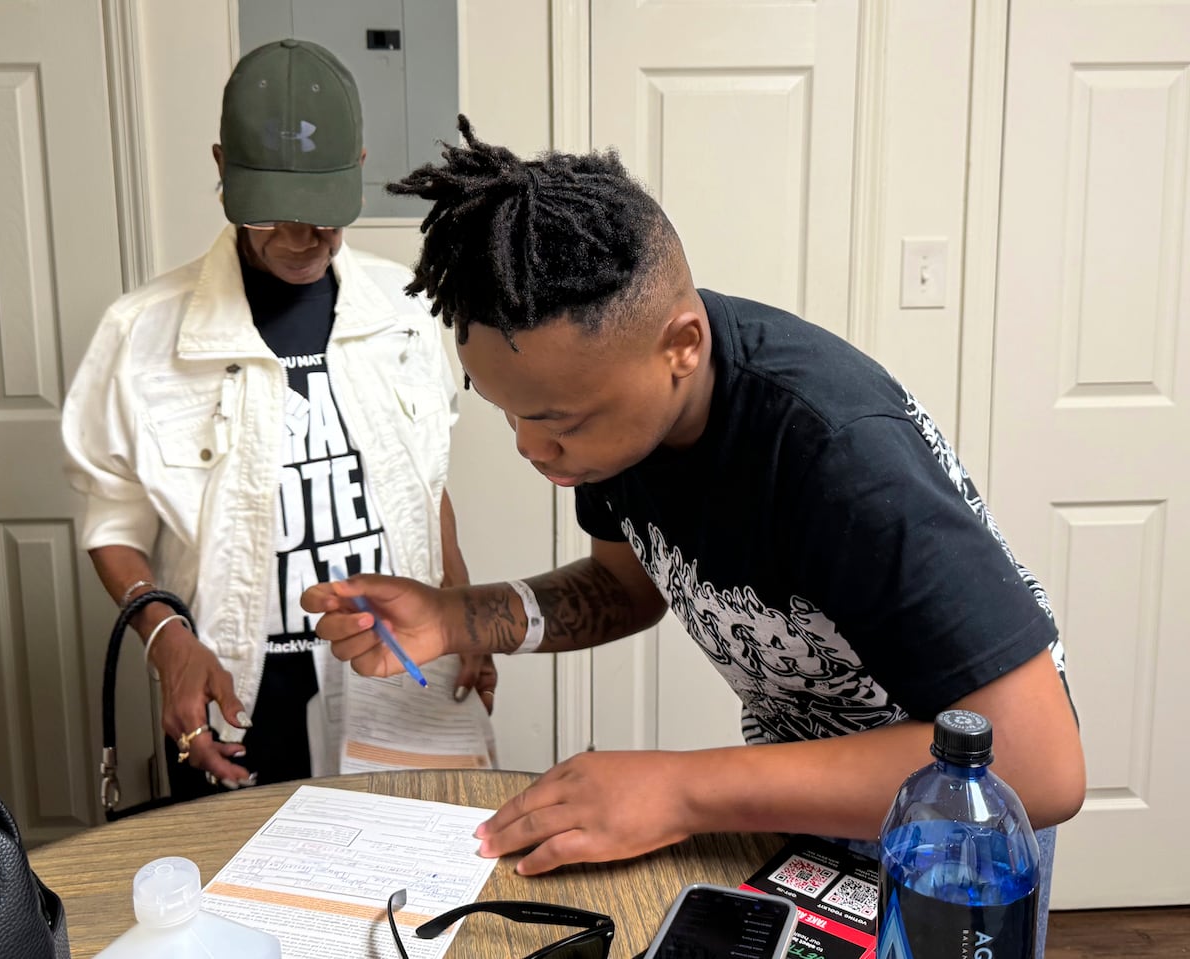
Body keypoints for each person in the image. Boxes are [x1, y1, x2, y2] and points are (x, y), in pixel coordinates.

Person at [304, 116, 1084, 904]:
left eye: (560, 421)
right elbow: (629, 586)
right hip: (797, 809)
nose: (531, 450)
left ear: (680, 346)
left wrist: (680, 790)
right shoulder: (621, 420)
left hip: (955, 844)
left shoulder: (839, 455)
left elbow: (1039, 764)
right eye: (510, 412)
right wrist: (453, 620)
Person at [63, 42, 494, 798]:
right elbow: (113, 524)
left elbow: (429, 482)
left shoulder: (407, 310)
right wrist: (166, 639)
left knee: (408, 886)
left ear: (356, 165)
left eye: (322, 214)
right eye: (275, 213)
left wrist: (465, 615)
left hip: (395, 667)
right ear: (222, 166)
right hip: (236, 687)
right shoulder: (143, 333)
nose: (302, 237)